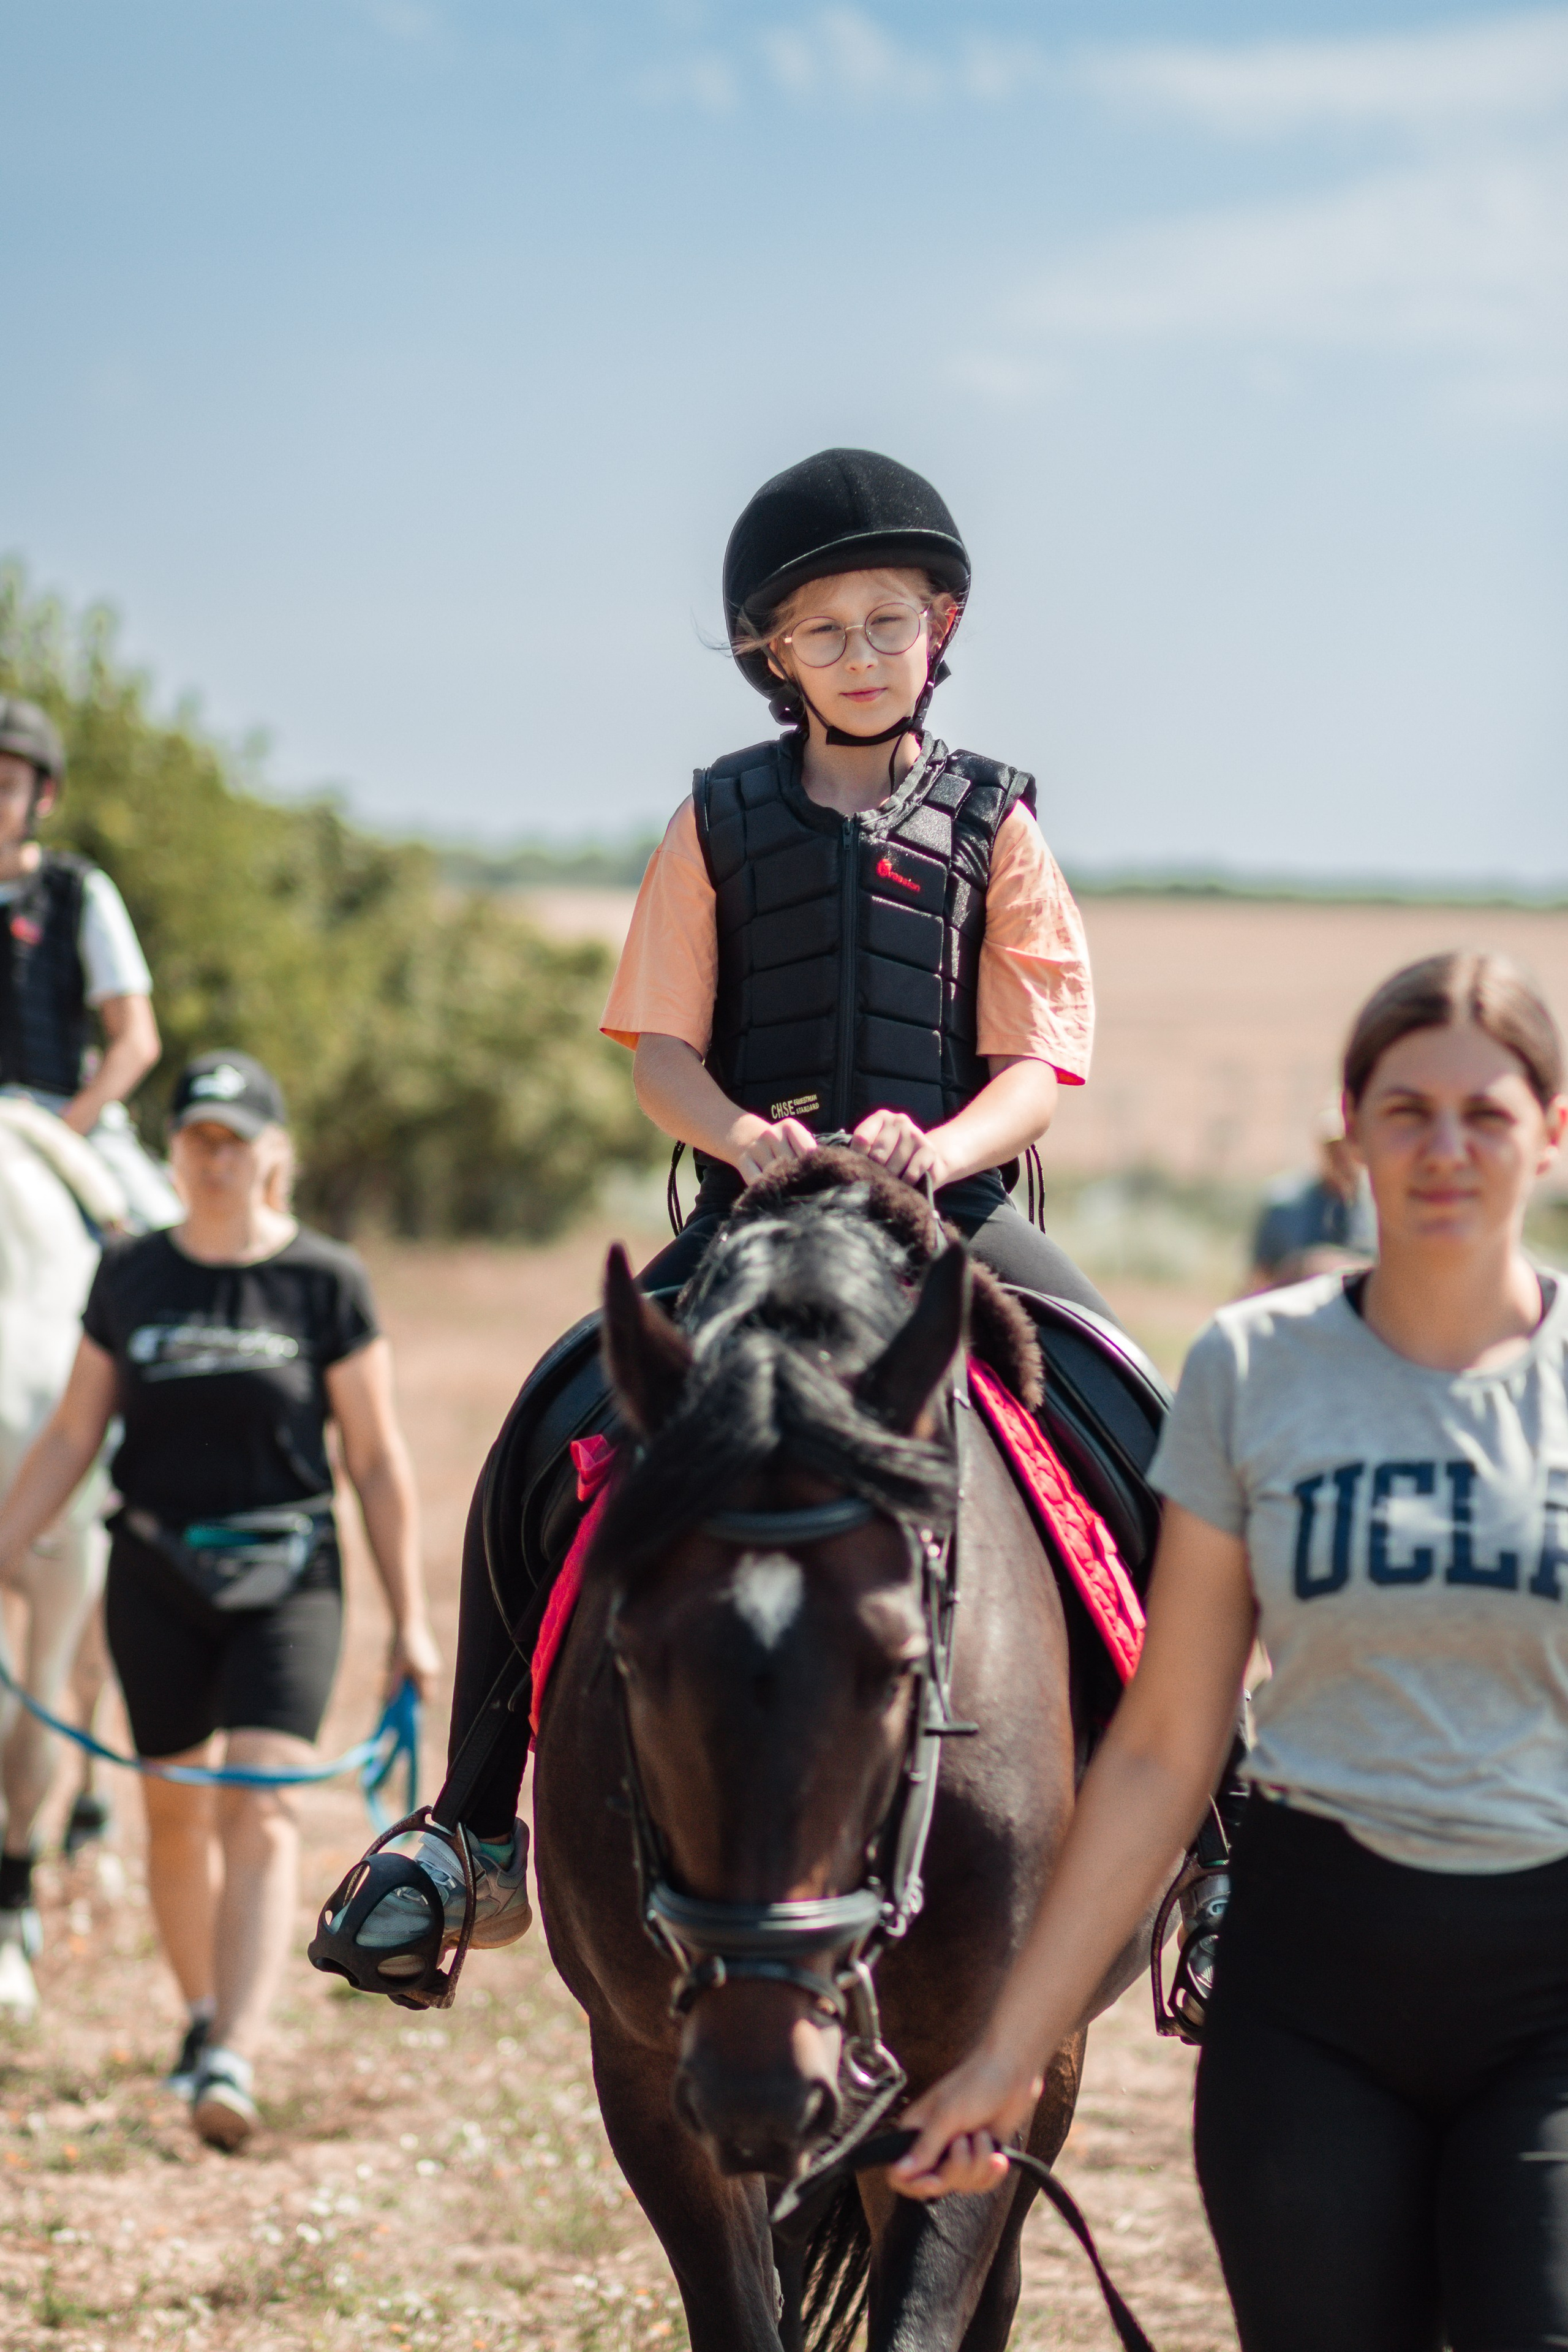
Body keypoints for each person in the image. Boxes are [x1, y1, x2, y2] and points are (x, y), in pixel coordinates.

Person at [318, 445, 1115, 1984]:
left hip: (947, 1213)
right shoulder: (713, 820)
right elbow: (664, 1052)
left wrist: (940, 1151)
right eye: (824, 630)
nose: (861, 654)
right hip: (758, 1211)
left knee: (1119, 1405)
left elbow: (1037, 1065)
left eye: (888, 623)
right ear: (771, 652)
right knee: (549, 1418)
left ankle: (1213, 1833)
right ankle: (470, 1826)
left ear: (937, 629)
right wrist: (744, 1134)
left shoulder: (1000, 823)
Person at [890, 949, 1568, 2352]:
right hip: (1311, 1999)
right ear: (1351, 1128)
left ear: (1549, 1130)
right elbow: (1159, 1741)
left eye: (1484, 1113)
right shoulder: (1253, 1368)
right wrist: (1006, 2051)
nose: (1443, 1149)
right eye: (1405, 1111)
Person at [0, 1050, 442, 2150]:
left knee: (262, 1800)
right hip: (153, 1575)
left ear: (273, 1156)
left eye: (235, 1140)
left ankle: (235, 2052)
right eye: (197, 1138)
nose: (214, 1159)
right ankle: (199, 2021)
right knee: (174, 1809)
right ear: (176, 1151)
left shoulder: (326, 1282)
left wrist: (411, 1618)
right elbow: (71, 1436)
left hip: (288, 1574)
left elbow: (378, 1463)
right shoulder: (132, 1275)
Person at [0, 694, 180, 1231]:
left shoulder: (81, 893)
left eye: (5, 786)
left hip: (60, 1115)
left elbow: (137, 1041)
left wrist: (66, 1130)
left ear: (44, 794)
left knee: (164, 1233)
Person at [1248, 1097, 1377, 1291]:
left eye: (1347, 1144)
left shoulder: (1383, 1205)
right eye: (1332, 1147)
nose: (1341, 1155)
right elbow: (1260, 1277)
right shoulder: (1285, 1204)